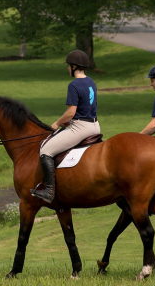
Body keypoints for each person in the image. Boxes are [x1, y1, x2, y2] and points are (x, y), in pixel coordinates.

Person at [30, 50, 100, 203]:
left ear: (74, 66)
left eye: (69, 66)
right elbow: (87, 106)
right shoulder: (91, 81)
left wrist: (57, 123)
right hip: (95, 125)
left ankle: (49, 191)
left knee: (45, 150)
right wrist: (70, 119)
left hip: (81, 128)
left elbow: (71, 112)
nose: (68, 68)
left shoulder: (74, 85)